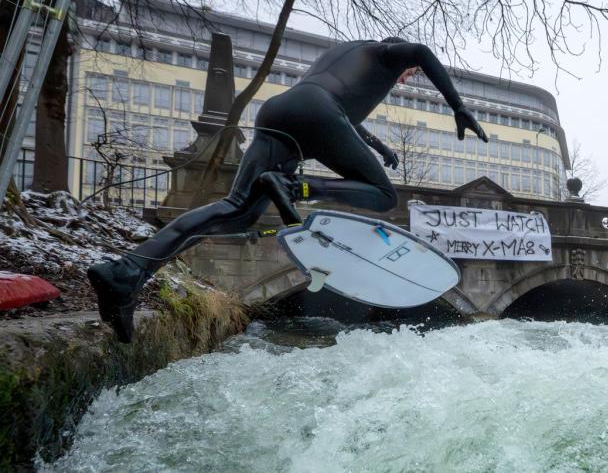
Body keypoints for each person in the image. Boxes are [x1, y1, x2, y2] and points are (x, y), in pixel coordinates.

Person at [87, 38, 488, 343]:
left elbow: (339, 111)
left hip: (280, 113)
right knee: (383, 196)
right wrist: (457, 105)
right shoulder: (387, 54)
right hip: (316, 117)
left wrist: (378, 146)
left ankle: (127, 272)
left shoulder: (344, 54)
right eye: (410, 73)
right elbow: (421, 51)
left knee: (236, 210)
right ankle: (296, 186)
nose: (409, 76)